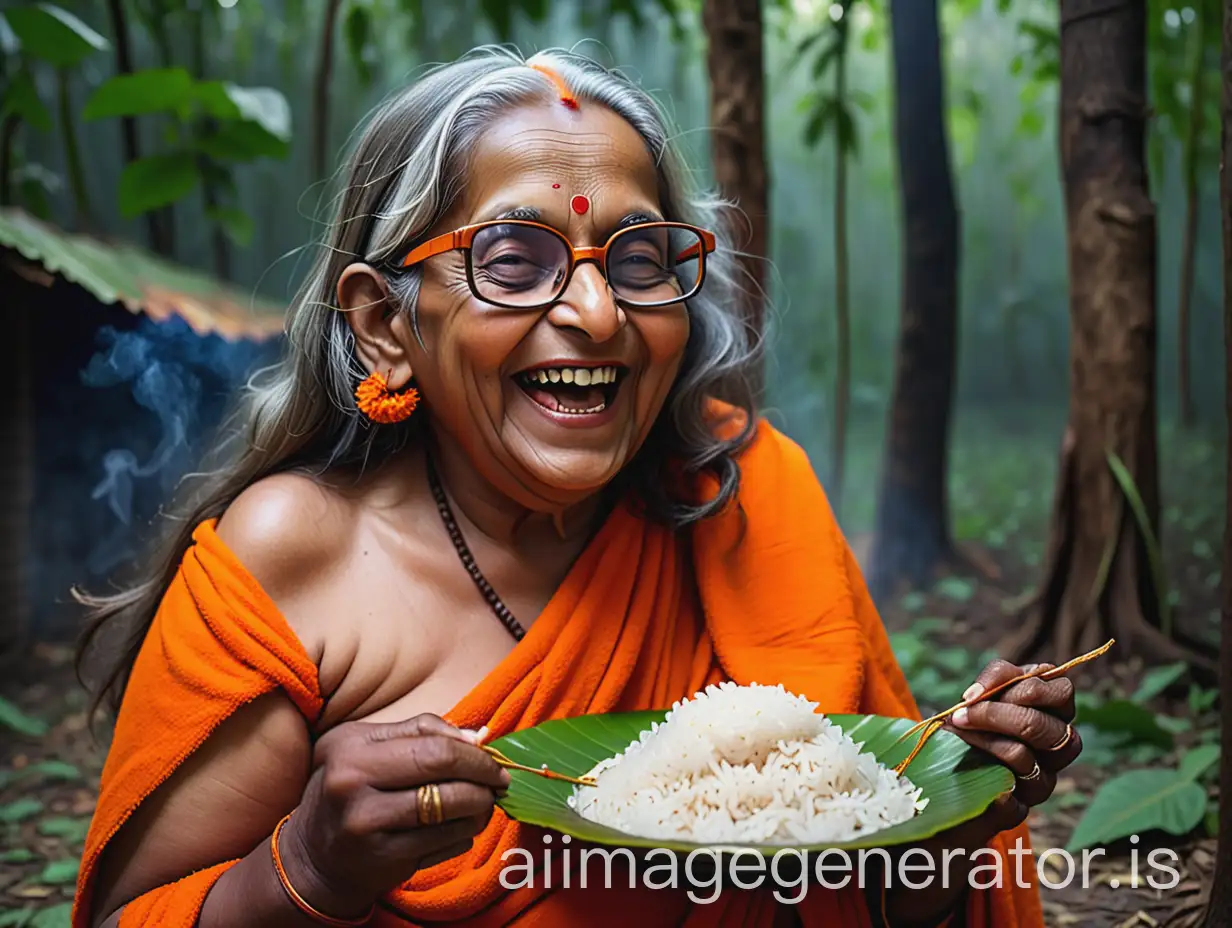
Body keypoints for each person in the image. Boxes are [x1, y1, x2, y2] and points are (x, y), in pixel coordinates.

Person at [72, 47, 1077, 928]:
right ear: (385, 323)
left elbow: (858, 898)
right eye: (513, 261)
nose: (597, 314)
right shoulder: (294, 552)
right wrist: (303, 868)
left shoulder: (742, 493)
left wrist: (950, 815)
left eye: (638, 259)